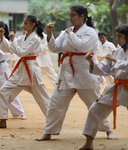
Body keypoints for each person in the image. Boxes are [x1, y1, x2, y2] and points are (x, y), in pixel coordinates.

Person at [36, 4, 114, 141]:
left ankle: (107, 130)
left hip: (85, 73)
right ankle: (48, 131)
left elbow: (82, 46)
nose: (70, 17)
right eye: (69, 15)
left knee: (94, 104)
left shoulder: (90, 32)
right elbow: (55, 49)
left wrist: (70, 33)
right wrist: (49, 34)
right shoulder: (66, 31)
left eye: (73, 15)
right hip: (66, 72)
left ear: (82, 16)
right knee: (55, 102)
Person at [0, 14, 50, 129]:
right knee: (3, 92)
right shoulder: (23, 38)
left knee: (43, 99)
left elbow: (22, 52)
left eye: (26, 23)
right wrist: (2, 37)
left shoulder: (35, 38)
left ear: (33, 25)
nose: (24, 25)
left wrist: (12, 40)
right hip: (21, 70)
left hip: (31, 70)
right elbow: (9, 49)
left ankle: (53, 122)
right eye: (24, 23)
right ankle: (2, 121)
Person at [78, 24, 128, 150]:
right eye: (116, 36)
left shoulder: (114, 55)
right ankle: (88, 144)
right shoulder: (116, 52)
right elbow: (104, 69)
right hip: (116, 86)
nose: (117, 39)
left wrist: (115, 60)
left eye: (120, 37)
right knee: (94, 110)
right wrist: (91, 61)